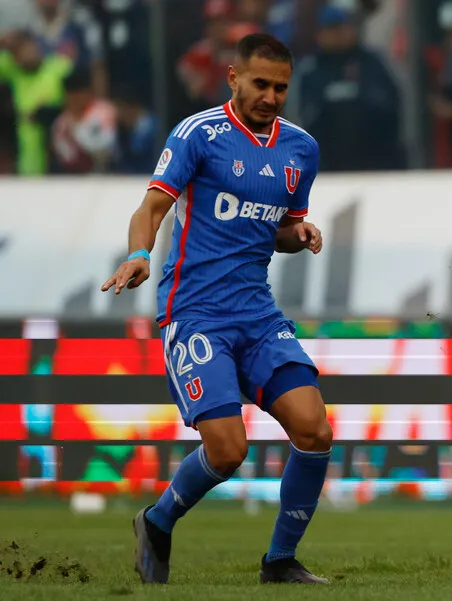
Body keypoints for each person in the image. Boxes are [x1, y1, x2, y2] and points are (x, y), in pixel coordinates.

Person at [100, 33, 332, 586]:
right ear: (233, 77)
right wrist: (138, 254)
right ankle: (157, 521)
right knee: (228, 450)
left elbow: (274, 229)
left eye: (280, 87)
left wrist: (296, 232)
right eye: (260, 84)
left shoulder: (301, 149)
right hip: (196, 313)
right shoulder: (198, 135)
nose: (271, 96)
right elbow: (152, 206)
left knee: (315, 429)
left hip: (257, 314)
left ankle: (280, 562)